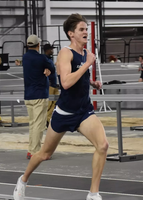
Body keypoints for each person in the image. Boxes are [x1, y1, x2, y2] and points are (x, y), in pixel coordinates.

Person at [13, 14, 108, 200]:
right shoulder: (66, 53)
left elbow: (79, 76)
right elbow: (65, 82)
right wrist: (88, 63)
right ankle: (22, 180)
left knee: (103, 145)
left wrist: (92, 83)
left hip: (83, 111)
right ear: (71, 34)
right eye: (82, 29)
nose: (86, 32)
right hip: (65, 113)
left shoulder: (83, 53)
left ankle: (93, 193)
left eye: (86, 29)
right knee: (44, 154)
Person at [22, 35, 55, 159]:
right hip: (39, 94)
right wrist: (47, 69)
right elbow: (52, 66)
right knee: (39, 125)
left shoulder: (25, 57)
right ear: (38, 45)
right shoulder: (41, 58)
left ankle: (31, 149)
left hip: (28, 95)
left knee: (32, 124)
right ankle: (35, 151)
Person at [43, 43, 60, 127]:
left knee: (55, 103)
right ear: (47, 50)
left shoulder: (49, 59)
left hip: (53, 85)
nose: (52, 50)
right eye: (51, 49)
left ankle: (49, 119)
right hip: (49, 85)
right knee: (49, 104)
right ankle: (46, 120)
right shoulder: (44, 59)